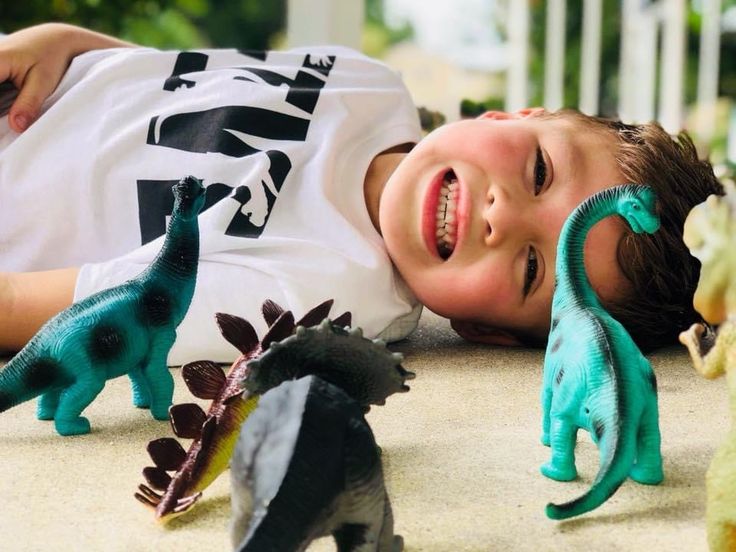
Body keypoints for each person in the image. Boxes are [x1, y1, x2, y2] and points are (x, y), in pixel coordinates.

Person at [0, 23, 723, 364]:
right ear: (514, 116)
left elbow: (53, 315)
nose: (505, 215)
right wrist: (68, 44)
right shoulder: (368, 81)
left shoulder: (326, 299)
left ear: (488, 331)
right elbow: (182, 89)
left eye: (534, 267)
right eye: (539, 173)